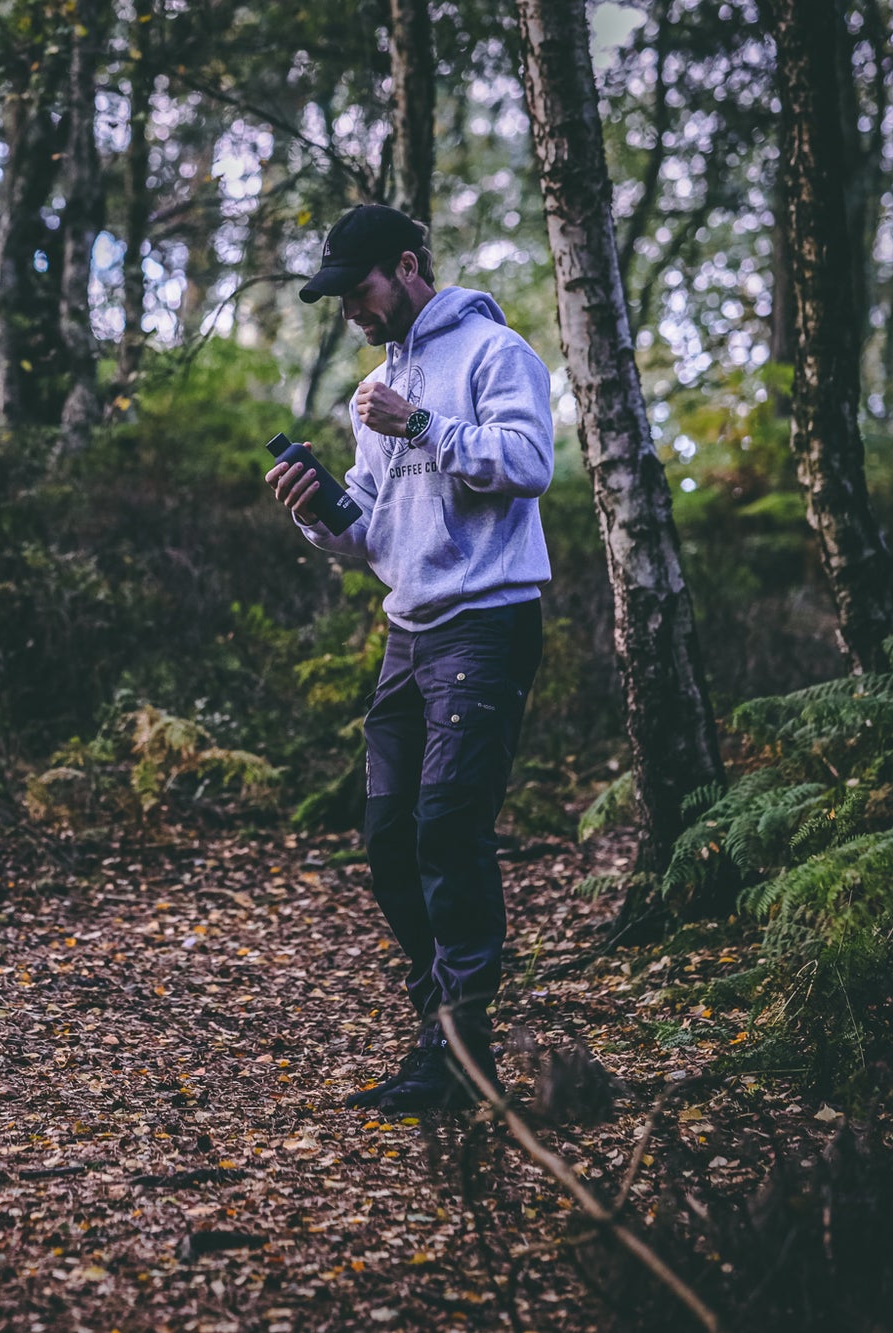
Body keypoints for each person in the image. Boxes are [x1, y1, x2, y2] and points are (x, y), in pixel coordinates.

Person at [268, 203, 553, 1111]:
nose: (352, 309)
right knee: (389, 839)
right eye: (341, 297)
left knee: (447, 829)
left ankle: (462, 1056)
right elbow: (368, 530)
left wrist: (422, 423)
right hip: (409, 631)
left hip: (488, 622)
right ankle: (438, 1025)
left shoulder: (493, 354)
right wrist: (316, 509)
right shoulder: (372, 388)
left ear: (406, 265)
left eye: (361, 290)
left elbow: (529, 460)